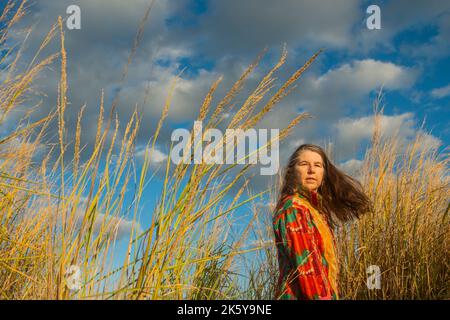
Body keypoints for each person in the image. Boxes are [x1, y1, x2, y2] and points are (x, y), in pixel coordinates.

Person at [273, 144, 372, 300]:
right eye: (304, 164)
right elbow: (308, 270)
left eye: (317, 165)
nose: (311, 170)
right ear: (292, 171)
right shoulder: (294, 208)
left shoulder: (315, 211)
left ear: (324, 174)